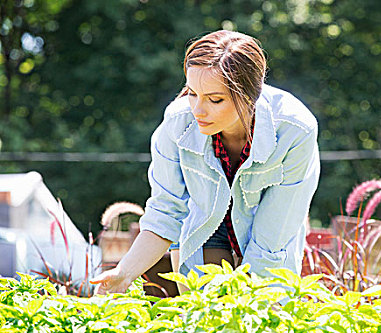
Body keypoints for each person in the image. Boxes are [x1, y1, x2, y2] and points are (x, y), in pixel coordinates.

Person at [91, 30, 320, 294]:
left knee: (257, 319)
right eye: (192, 93)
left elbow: (271, 240)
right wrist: (124, 273)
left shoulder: (295, 131)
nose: (198, 110)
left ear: (250, 96)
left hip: (267, 230)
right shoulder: (177, 123)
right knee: (208, 310)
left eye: (215, 99)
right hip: (205, 225)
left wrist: (257, 307)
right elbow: (166, 213)